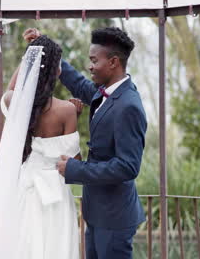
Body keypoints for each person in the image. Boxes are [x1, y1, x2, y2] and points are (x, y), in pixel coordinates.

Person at [27, 27, 147, 259]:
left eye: (94, 61)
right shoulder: (105, 93)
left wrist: (75, 169)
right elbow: (81, 85)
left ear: (113, 62)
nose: (90, 66)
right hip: (98, 213)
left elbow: (128, 166)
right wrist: (53, 55)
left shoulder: (129, 105)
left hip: (114, 218)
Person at [0, 34, 81, 259]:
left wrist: (30, 57)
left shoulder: (13, 103)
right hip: (55, 194)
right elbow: (73, 161)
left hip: (25, 189)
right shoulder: (67, 110)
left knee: (23, 245)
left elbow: (12, 88)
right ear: (57, 70)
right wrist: (77, 114)